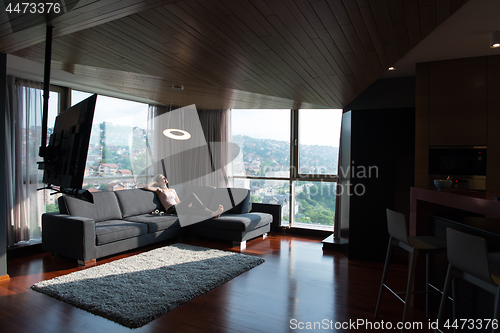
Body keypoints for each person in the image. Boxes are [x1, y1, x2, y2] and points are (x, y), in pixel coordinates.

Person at [144, 174, 223, 218]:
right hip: (171, 210)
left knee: (193, 210)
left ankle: (213, 214)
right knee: (191, 195)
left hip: (178, 207)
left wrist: (186, 204)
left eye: (165, 177)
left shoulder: (172, 190)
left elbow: (178, 201)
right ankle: (209, 211)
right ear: (158, 182)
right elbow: (146, 187)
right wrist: (154, 182)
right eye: (162, 178)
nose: (165, 178)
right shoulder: (159, 190)